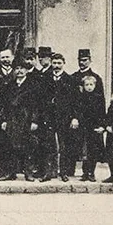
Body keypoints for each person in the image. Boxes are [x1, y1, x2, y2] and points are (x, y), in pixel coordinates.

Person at [0, 60, 40, 181]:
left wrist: (34, 121)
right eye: (17, 68)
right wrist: (4, 120)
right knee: (10, 146)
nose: (20, 71)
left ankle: (28, 172)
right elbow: (5, 105)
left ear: (27, 70)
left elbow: (36, 106)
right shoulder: (10, 85)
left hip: (26, 118)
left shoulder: (32, 85)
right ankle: (11, 172)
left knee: (28, 145)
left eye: (22, 68)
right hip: (12, 119)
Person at [38, 53, 75, 181]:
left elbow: (75, 101)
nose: (57, 66)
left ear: (64, 63)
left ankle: (63, 172)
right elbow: (40, 99)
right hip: (48, 117)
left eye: (59, 63)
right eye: (54, 63)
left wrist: (74, 118)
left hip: (64, 117)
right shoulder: (45, 78)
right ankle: (49, 172)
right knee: (49, 145)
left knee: (63, 146)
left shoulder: (70, 80)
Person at [72, 74, 106, 181]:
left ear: (95, 85)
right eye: (87, 85)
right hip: (84, 127)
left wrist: (102, 126)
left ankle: (92, 172)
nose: (89, 87)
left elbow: (102, 112)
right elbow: (77, 110)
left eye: (91, 84)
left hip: (95, 127)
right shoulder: (80, 97)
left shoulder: (99, 97)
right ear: (83, 86)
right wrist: (76, 119)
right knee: (84, 151)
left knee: (93, 150)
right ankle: (85, 173)